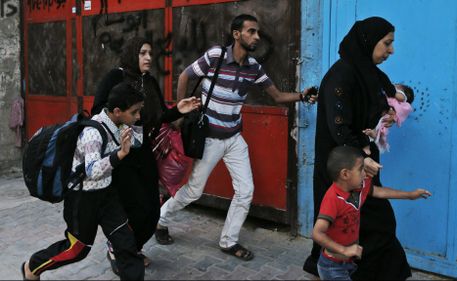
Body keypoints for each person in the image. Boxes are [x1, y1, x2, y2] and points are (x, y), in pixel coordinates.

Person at [155, 14, 317, 261]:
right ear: (236, 34)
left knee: (245, 191)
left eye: (257, 32)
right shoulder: (216, 57)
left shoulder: (254, 68)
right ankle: (160, 219)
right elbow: (186, 75)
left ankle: (228, 241)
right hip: (209, 138)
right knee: (194, 192)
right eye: (251, 31)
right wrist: (179, 112)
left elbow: (277, 96)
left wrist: (302, 96)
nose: (256, 37)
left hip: (234, 139)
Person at [303, 16, 414, 280]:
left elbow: (397, 92)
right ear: (369, 42)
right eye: (386, 44)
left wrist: (390, 110)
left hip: (361, 162)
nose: (391, 50)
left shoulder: (369, 73)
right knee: (372, 222)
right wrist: (362, 157)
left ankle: (334, 267)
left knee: (353, 223)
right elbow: (339, 129)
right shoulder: (342, 76)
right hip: (345, 167)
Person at [91, 37, 200, 271]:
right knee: (133, 207)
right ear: (132, 54)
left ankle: (132, 247)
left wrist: (178, 110)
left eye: (150, 53)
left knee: (151, 210)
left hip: (145, 154)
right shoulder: (115, 77)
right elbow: (97, 111)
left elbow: (159, 116)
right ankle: (120, 249)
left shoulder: (149, 81)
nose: (149, 58)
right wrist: (123, 130)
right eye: (142, 53)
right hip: (123, 155)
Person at [22, 82, 146, 280]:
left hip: (107, 195)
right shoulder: (93, 133)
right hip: (83, 198)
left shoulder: (120, 123)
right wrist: (121, 154)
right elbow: (92, 170)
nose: (138, 116)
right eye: (135, 112)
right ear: (117, 111)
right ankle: (33, 266)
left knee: (126, 244)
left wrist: (135, 124)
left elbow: (138, 143)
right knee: (78, 250)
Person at [312, 146, 431, 280]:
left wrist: (410, 195)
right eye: (361, 169)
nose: (365, 173)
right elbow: (317, 233)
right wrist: (344, 250)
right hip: (332, 267)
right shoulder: (332, 199)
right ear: (345, 174)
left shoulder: (359, 187)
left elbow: (378, 191)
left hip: (349, 263)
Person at [363, 83, 414, 153]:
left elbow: (401, 97)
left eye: (396, 85)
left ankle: (373, 135)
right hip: (380, 113)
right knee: (377, 123)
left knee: (379, 122)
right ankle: (373, 136)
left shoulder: (401, 97)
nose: (394, 85)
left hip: (384, 114)